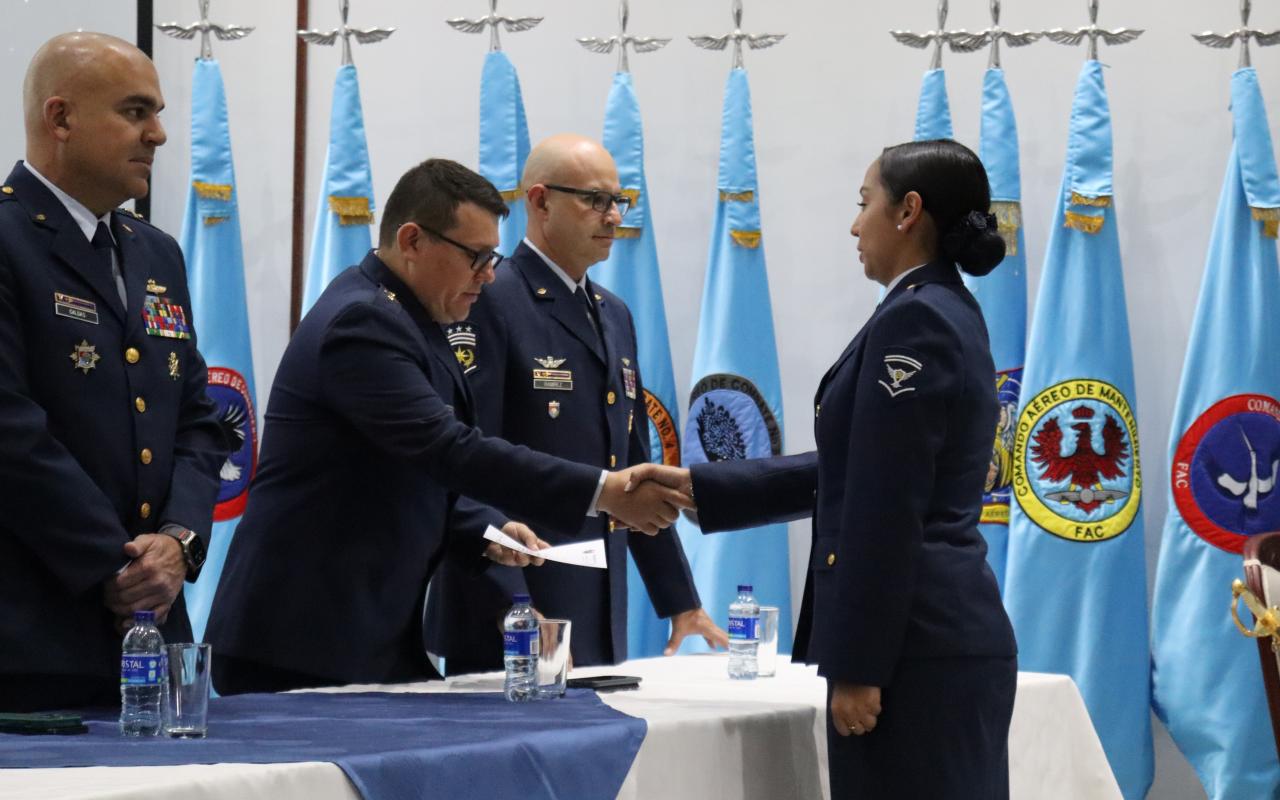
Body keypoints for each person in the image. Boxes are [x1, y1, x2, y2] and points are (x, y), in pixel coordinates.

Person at [205, 158, 692, 694]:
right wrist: (602, 490)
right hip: (301, 642)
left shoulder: (417, 318)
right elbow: (448, 448)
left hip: (368, 637)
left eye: (494, 257)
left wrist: (483, 528)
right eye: (476, 257)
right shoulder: (362, 321)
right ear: (412, 240)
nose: (488, 274)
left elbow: (406, 466)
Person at [675, 140, 1019, 798]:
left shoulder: (915, 318)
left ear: (908, 211)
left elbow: (886, 505)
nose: (854, 224)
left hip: (913, 651)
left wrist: (860, 667)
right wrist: (702, 487)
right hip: (931, 642)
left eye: (865, 204)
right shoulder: (938, 307)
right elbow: (861, 468)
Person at [426, 135, 726, 672]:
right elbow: (469, 461)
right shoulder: (490, 299)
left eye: (618, 200)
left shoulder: (613, 313)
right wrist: (512, 602)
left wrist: (680, 601)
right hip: (517, 608)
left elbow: (631, 469)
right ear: (539, 202)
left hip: (596, 604)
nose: (613, 216)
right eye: (594, 200)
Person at [0, 32, 230, 712]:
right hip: (32, 635)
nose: (158, 134)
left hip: (151, 635)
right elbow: (10, 432)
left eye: (157, 113)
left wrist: (178, 544)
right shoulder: (8, 242)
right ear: (60, 118)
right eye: (135, 112)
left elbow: (199, 419)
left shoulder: (156, 254)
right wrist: (119, 564)